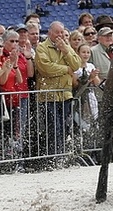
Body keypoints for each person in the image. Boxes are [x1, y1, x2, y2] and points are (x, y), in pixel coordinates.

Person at [34, 21, 81, 156]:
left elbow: (77, 65)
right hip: (49, 95)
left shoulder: (66, 47)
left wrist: (66, 51)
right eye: (57, 32)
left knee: (65, 126)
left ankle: (61, 154)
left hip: (65, 94)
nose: (60, 35)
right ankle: (54, 155)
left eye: (62, 32)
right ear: (50, 33)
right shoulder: (42, 47)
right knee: (54, 127)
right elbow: (46, 68)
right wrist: (66, 69)